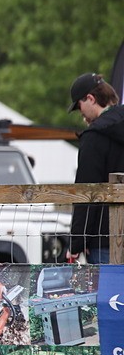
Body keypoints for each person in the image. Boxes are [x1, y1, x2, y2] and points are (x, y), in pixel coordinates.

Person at [67, 72, 124, 264]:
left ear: (90, 99)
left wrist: (76, 242)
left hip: (104, 238)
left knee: (109, 285)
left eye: (79, 107)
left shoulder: (94, 138)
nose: (81, 114)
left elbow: (87, 191)